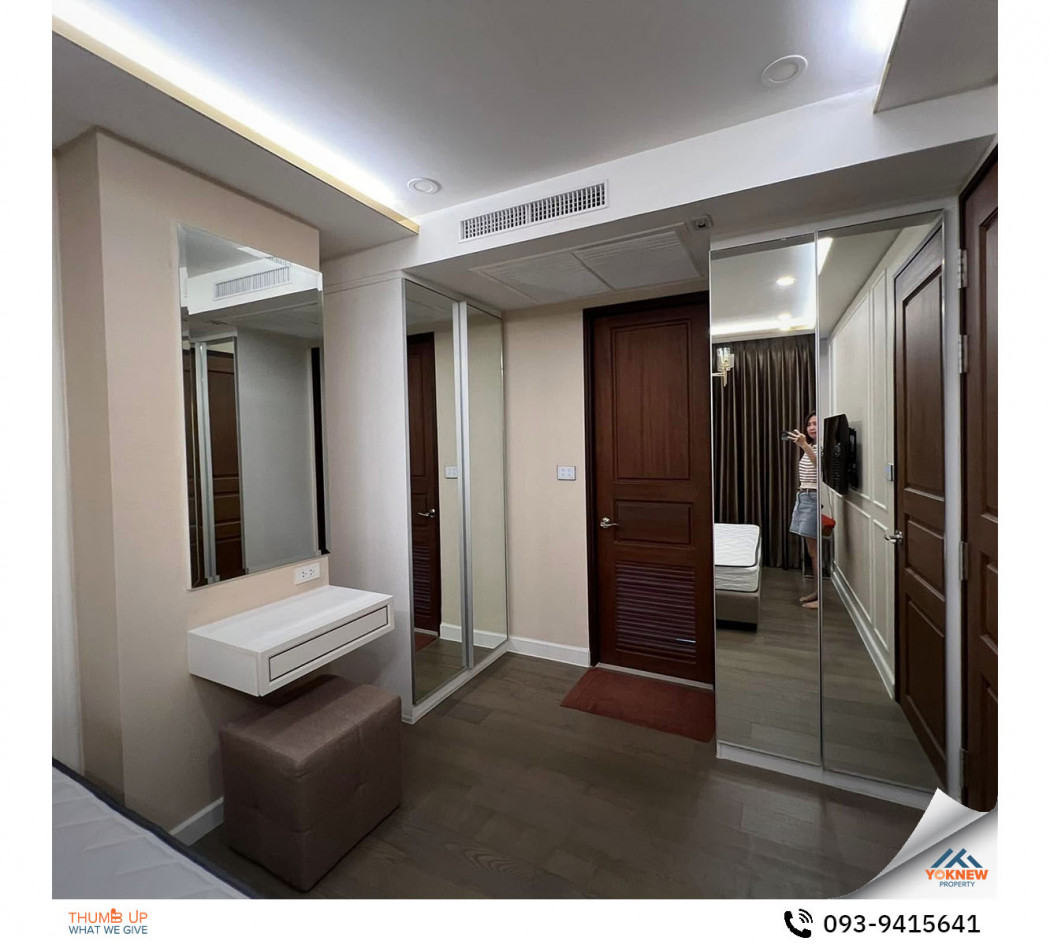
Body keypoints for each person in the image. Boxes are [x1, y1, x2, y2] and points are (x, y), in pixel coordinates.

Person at [789, 412, 820, 609]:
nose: (811, 427)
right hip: (805, 496)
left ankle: (820, 597)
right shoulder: (813, 446)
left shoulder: (820, 446)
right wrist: (806, 446)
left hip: (814, 497)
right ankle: (817, 592)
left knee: (815, 551)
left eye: (816, 423)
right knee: (812, 550)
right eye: (809, 424)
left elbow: (820, 466)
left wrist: (804, 445)